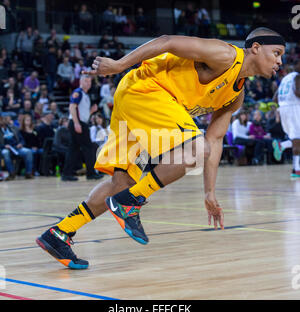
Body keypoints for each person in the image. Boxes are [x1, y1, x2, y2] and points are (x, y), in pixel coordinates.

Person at [36, 27, 285, 269]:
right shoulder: (225, 55)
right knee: (195, 149)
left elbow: (216, 140)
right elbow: (167, 41)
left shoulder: (235, 96)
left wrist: (209, 192)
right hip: (145, 90)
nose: (280, 61)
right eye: (277, 53)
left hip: (137, 103)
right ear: (255, 48)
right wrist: (119, 64)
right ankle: (129, 203)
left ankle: (59, 233)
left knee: (120, 184)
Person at [61, 75, 101, 181]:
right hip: (77, 123)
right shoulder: (78, 92)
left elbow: (84, 115)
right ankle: (91, 173)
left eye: (90, 82)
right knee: (89, 148)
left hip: (80, 122)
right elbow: (72, 107)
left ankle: (66, 174)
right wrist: (76, 123)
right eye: (86, 81)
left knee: (73, 149)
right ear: (81, 82)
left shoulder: (85, 95)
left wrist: (91, 111)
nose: (88, 83)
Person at [274, 59, 300, 177]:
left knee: (296, 140)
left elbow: (275, 98)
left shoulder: (285, 79)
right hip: (294, 107)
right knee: (297, 139)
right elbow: (297, 93)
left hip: (284, 108)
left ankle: (295, 170)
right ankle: (296, 170)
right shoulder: (297, 77)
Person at [0, 115, 34, 180]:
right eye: (2, 120)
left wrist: (21, 144)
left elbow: (22, 139)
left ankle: (28, 173)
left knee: (28, 151)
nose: (3, 121)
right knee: (5, 153)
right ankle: (11, 173)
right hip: (5, 148)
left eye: (4, 119)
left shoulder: (14, 128)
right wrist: (4, 146)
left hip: (16, 147)